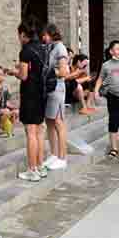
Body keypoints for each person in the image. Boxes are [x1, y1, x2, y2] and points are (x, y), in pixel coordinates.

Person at [14, 21, 46, 182]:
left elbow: (24, 75)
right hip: (42, 93)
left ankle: (32, 169)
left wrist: (14, 72)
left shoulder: (25, 51)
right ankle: (40, 166)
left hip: (30, 94)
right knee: (39, 130)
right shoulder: (42, 48)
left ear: (22, 34)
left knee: (31, 131)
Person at [41, 24, 70, 171]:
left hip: (57, 88)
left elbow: (64, 71)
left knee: (58, 122)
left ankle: (62, 157)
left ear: (51, 34)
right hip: (49, 89)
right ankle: (54, 154)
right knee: (50, 122)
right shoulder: (50, 48)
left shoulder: (60, 48)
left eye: (45, 35)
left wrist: (50, 72)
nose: (43, 38)